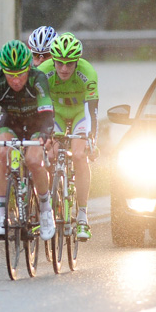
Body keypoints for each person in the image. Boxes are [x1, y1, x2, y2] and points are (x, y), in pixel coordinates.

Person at [0, 40, 56, 241]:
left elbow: (47, 116)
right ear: (3, 71)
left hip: (37, 122)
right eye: (10, 74)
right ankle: (2, 216)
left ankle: (46, 210)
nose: (16, 80)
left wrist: (45, 133)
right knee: (3, 153)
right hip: (11, 120)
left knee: (34, 160)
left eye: (20, 74)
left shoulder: (39, 78)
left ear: (28, 68)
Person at [37, 32, 99, 241]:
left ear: (77, 62)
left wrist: (93, 139)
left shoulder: (87, 72)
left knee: (80, 155)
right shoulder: (43, 71)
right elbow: (37, 106)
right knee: (51, 153)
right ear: (53, 60)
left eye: (70, 64)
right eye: (60, 63)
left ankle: (82, 217)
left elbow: (93, 112)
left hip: (80, 113)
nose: (64, 69)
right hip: (56, 113)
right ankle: (51, 200)